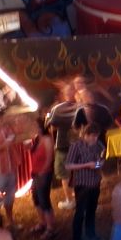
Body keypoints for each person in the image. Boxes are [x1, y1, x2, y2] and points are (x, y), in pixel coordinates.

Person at [66, 126, 107, 240]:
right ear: (86, 135)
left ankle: (91, 234)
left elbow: (101, 161)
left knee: (91, 210)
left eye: (97, 136)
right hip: (82, 184)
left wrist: (98, 165)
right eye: (93, 136)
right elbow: (68, 165)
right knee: (80, 212)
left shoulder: (98, 145)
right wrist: (86, 165)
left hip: (95, 182)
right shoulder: (76, 146)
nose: (95, 138)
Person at [47, 82, 82, 210]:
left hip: (63, 145)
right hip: (77, 145)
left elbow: (50, 125)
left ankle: (70, 201)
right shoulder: (80, 107)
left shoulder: (58, 109)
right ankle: (80, 199)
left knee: (65, 175)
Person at [27, 120, 56, 237]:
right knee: (36, 199)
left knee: (44, 199)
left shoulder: (47, 139)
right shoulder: (37, 139)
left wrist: (43, 170)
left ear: (39, 127)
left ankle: (50, 228)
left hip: (44, 173)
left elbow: (50, 157)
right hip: (36, 173)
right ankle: (42, 222)